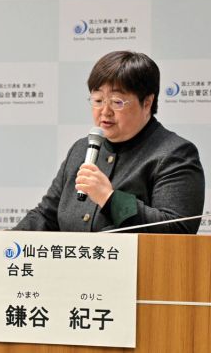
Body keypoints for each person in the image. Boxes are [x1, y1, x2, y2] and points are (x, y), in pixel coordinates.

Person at [14, 51, 205, 233]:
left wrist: (109, 198)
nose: (105, 111)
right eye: (98, 100)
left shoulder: (174, 153)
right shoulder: (81, 149)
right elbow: (46, 215)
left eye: (116, 102)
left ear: (147, 102)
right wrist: (4, 241)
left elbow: (177, 229)